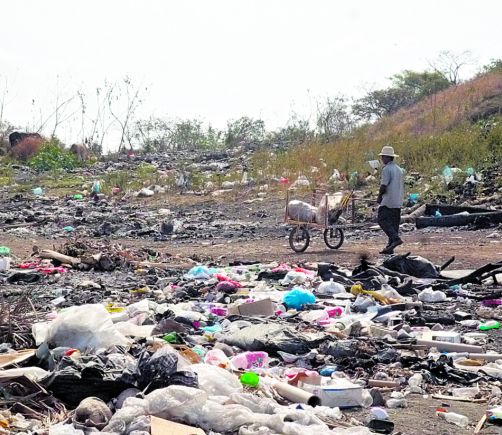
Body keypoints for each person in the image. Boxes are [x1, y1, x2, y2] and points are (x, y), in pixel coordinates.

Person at [376, 145, 404, 255]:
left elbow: (384, 185)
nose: (382, 159)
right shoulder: (399, 169)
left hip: (388, 200)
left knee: (382, 219)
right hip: (397, 200)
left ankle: (395, 239)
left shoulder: (387, 169)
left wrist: (379, 197)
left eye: (383, 157)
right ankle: (390, 247)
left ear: (387, 157)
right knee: (393, 223)